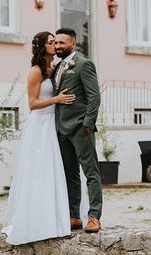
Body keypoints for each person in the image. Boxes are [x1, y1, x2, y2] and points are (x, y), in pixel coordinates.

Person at [2, 31, 76, 245]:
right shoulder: (35, 71)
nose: (55, 45)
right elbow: (32, 104)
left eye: (56, 41)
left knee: (56, 170)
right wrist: (57, 99)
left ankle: (57, 217)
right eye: (51, 42)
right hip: (40, 125)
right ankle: (36, 220)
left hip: (54, 123)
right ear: (43, 47)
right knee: (40, 171)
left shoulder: (54, 68)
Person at [53, 27, 103, 233]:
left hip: (81, 129)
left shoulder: (84, 65)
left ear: (73, 44)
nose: (57, 46)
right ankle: (74, 217)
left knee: (91, 173)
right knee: (70, 175)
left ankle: (94, 216)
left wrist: (88, 124)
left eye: (61, 43)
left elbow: (94, 96)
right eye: (55, 43)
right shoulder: (56, 68)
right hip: (61, 129)